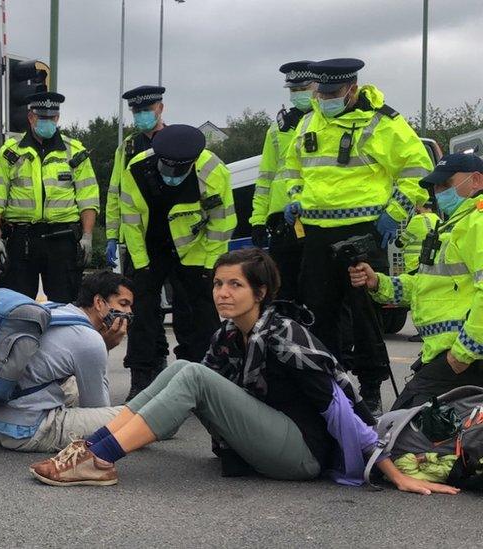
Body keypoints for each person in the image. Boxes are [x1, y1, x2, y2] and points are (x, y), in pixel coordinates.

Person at [30, 249, 458, 496]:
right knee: (183, 368)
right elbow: (188, 391)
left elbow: (340, 400)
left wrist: (390, 469)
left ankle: (100, 459)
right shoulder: (229, 336)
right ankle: (92, 448)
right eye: (218, 284)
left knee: (193, 375)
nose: (222, 292)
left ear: (262, 291)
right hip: (268, 441)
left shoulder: (283, 332)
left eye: (234, 284)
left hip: (303, 453)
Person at [283, 58, 432, 411]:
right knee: (318, 311)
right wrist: (295, 199)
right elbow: (292, 169)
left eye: (333, 94)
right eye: (321, 93)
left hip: (363, 234)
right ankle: (328, 386)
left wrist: (393, 215)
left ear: (352, 89)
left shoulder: (384, 123)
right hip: (318, 235)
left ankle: (370, 389)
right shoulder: (309, 120)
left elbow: (419, 171)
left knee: (364, 314)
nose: (324, 99)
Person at [350, 153, 483, 410]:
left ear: (476, 180)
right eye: (436, 186)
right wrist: (378, 282)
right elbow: (424, 286)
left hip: (463, 358)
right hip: (450, 356)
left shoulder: (477, 223)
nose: (438, 192)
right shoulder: (454, 225)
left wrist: (463, 353)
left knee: (398, 431)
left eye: (446, 184)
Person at [114, 124, 236, 399]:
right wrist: (142, 265)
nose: (171, 176)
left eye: (178, 171)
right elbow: (131, 222)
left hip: (193, 250)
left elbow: (221, 224)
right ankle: (143, 377)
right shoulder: (136, 169)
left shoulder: (213, 172)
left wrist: (210, 267)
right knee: (142, 312)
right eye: (166, 169)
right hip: (149, 246)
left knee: (197, 316)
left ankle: (202, 377)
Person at [0, 271, 133, 453]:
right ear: (99, 302)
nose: (129, 312)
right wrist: (104, 346)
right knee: (131, 418)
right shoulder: (90, 341)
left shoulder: (52, 309)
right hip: (27, 433)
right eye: (124, 304)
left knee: (72, 384)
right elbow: (97, 406)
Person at [104, 85, 183, 400]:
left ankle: (180, 378)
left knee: (186, 312)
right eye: (135, 111)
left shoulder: (177, 141)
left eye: (146, 110)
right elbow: (115, 191)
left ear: (160, 109)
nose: (140, 116)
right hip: (139, 240)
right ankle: (141, 380)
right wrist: (112, 234)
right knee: (140, 313)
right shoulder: (127, 147)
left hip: (178, 239)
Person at [0, 91, 98, 303]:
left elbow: (88, 198)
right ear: (31, 117)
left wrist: (87, 236)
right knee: (16, 306)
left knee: (66, 304)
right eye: (42, 118)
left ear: (58, 118)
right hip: (22, 238)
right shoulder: (10, 153)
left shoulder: (75, 152)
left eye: (52, 118)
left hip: (62, 238)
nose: (48, 122)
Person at [250, 61, 315, 302]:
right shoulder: (278, 129)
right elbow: (265, 178)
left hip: (315, 217)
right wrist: (258, 220)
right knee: (281, 294)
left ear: (317, 87)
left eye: (303, 89)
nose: (298, 95)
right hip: (282, 223)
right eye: (294, 90)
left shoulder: (327, 123)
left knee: (317, 293)